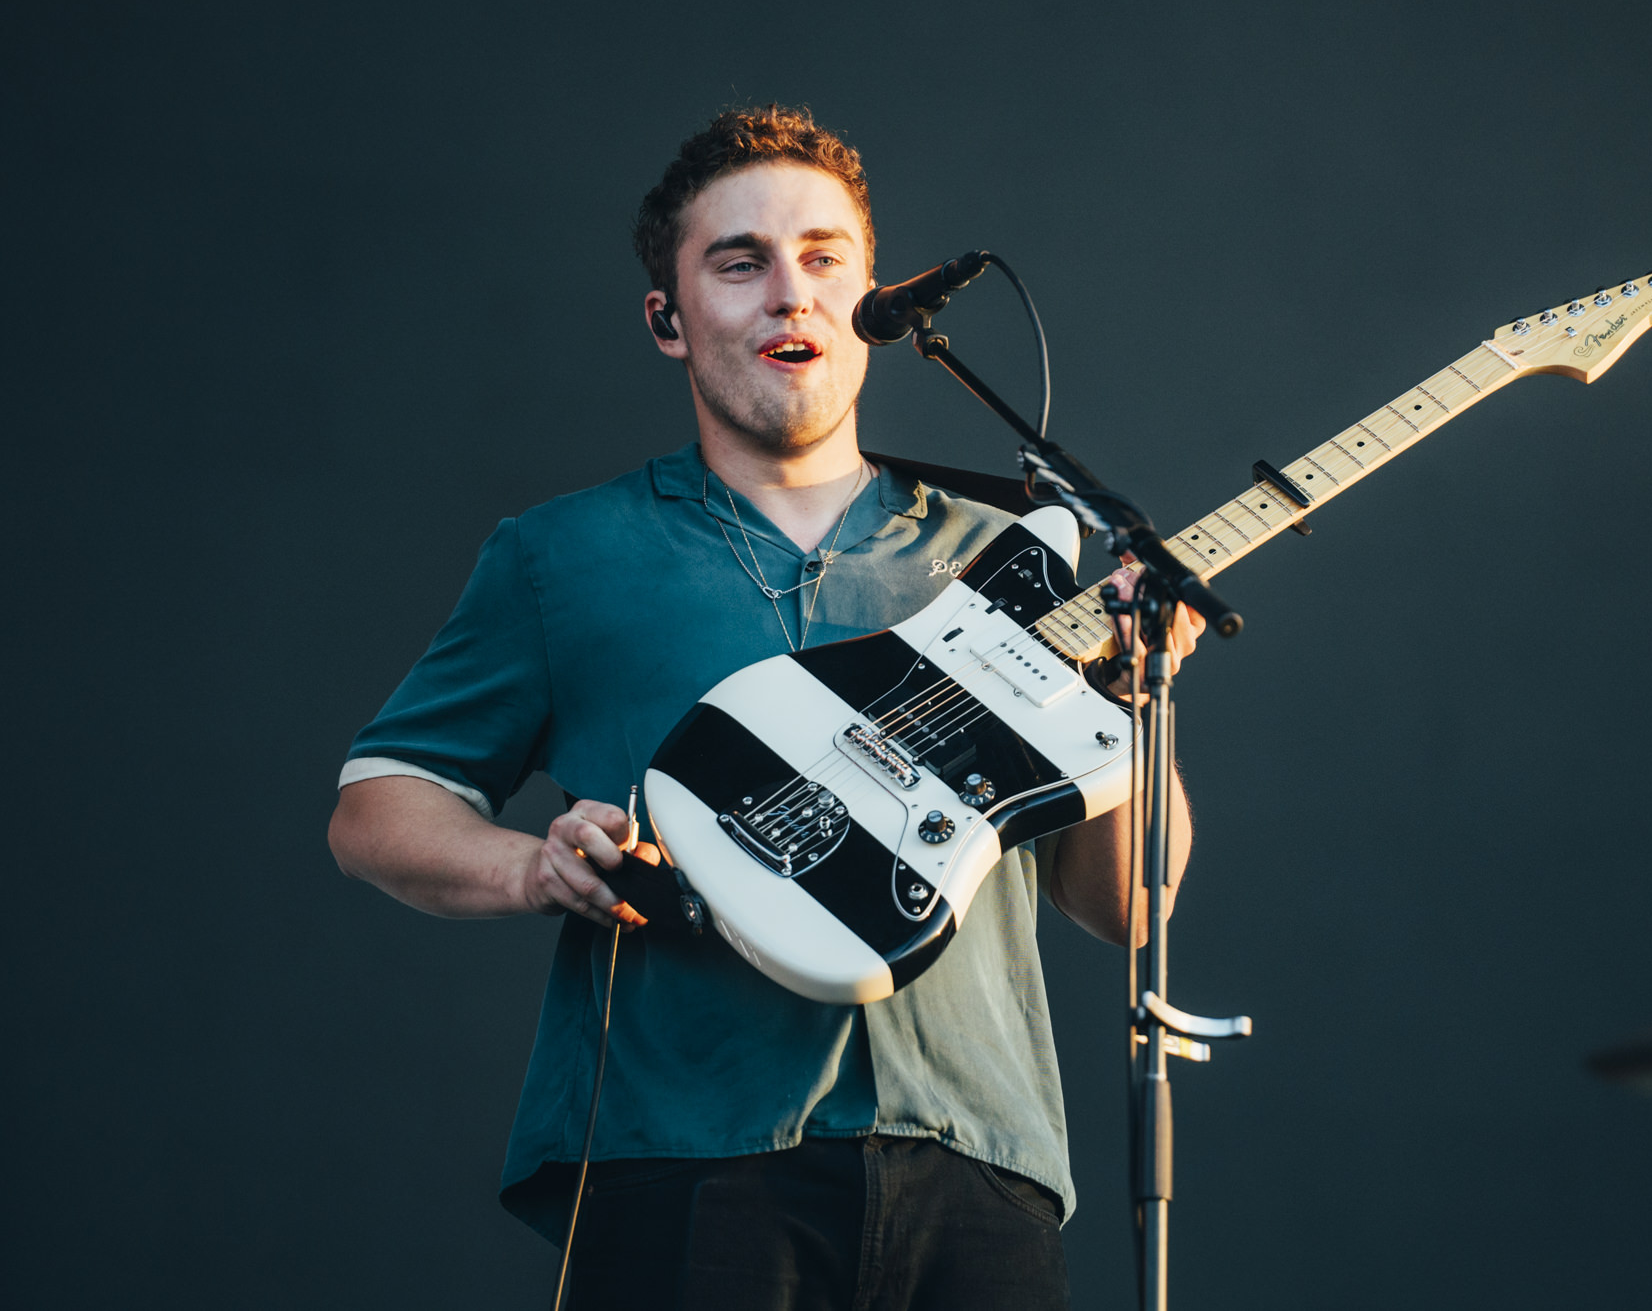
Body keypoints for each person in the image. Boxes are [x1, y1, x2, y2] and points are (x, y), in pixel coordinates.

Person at [327, 105, 1202, 1309]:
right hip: (679, 1158)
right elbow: (378, 803)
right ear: (667, 320)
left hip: (976, 1164)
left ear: (876, 305)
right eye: (739, 263)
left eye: (824, 258)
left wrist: (1126, 693)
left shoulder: (1010, 559)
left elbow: (1124, 905)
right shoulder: (561, 555)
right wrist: (534, 866)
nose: (790, 291)